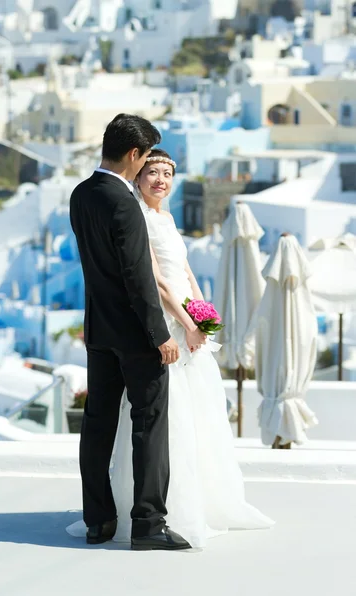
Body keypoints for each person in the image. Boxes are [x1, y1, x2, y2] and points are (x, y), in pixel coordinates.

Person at [68, 147, 274, 549]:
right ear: (138, 174)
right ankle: (154, 514)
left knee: (196, 415)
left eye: (168, 173)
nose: (160, 179)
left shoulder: (167, 217)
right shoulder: (137, 216)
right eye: (152, 171)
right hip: (163, 323)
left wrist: (205, 321)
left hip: (187, 323)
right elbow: (157, 282)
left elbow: (185, 273)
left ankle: (193, 501)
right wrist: (185, 325)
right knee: (165, 418)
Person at [69, 114, 194, 551]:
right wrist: (160, 334)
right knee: (150, 423)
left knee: (98, 424)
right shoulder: (124, 203)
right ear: (135, 155)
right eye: (147, 162)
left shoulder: (81, 194)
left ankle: (98, 520)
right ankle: (148, 523)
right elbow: (140, 278)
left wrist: (201, 319)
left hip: (99, 329)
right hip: (136, 333)